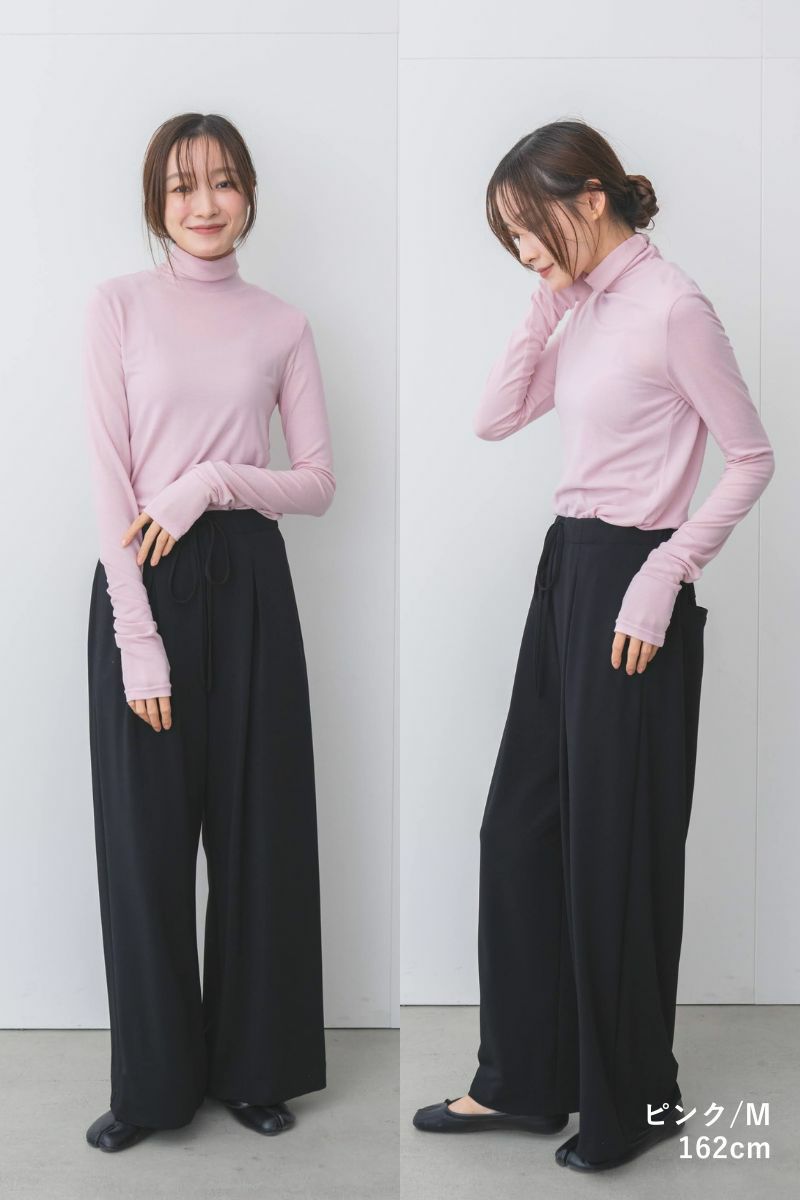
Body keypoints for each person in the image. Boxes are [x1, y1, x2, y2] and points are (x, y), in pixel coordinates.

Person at [412, 118, 774, 1171]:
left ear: (588, 198)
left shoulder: (674, 308)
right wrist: (546, 301)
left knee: (613, 853)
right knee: (518, 832)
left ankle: (634, 1104)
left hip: (633, 581)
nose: (522, 250)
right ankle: (523, 1083)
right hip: (566, 570)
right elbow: (492, 419)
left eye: (528, 228)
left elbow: (751, 457)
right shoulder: (583, 307)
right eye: (507, 237)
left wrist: (665, 574)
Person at [83, 113, 335, 1152]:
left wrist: (213, 483)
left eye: (223, 182)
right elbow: (109, 481)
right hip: (141, 577)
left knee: (258, 835)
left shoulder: (282, 324)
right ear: (157, 199)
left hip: (251, 585)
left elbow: (315, 482)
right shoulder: (118, 306)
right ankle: (152, 1085)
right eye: (183, 185)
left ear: (249, 195)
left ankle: (253, 1068)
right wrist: (136, 638)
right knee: (144, 847)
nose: (204, 203)